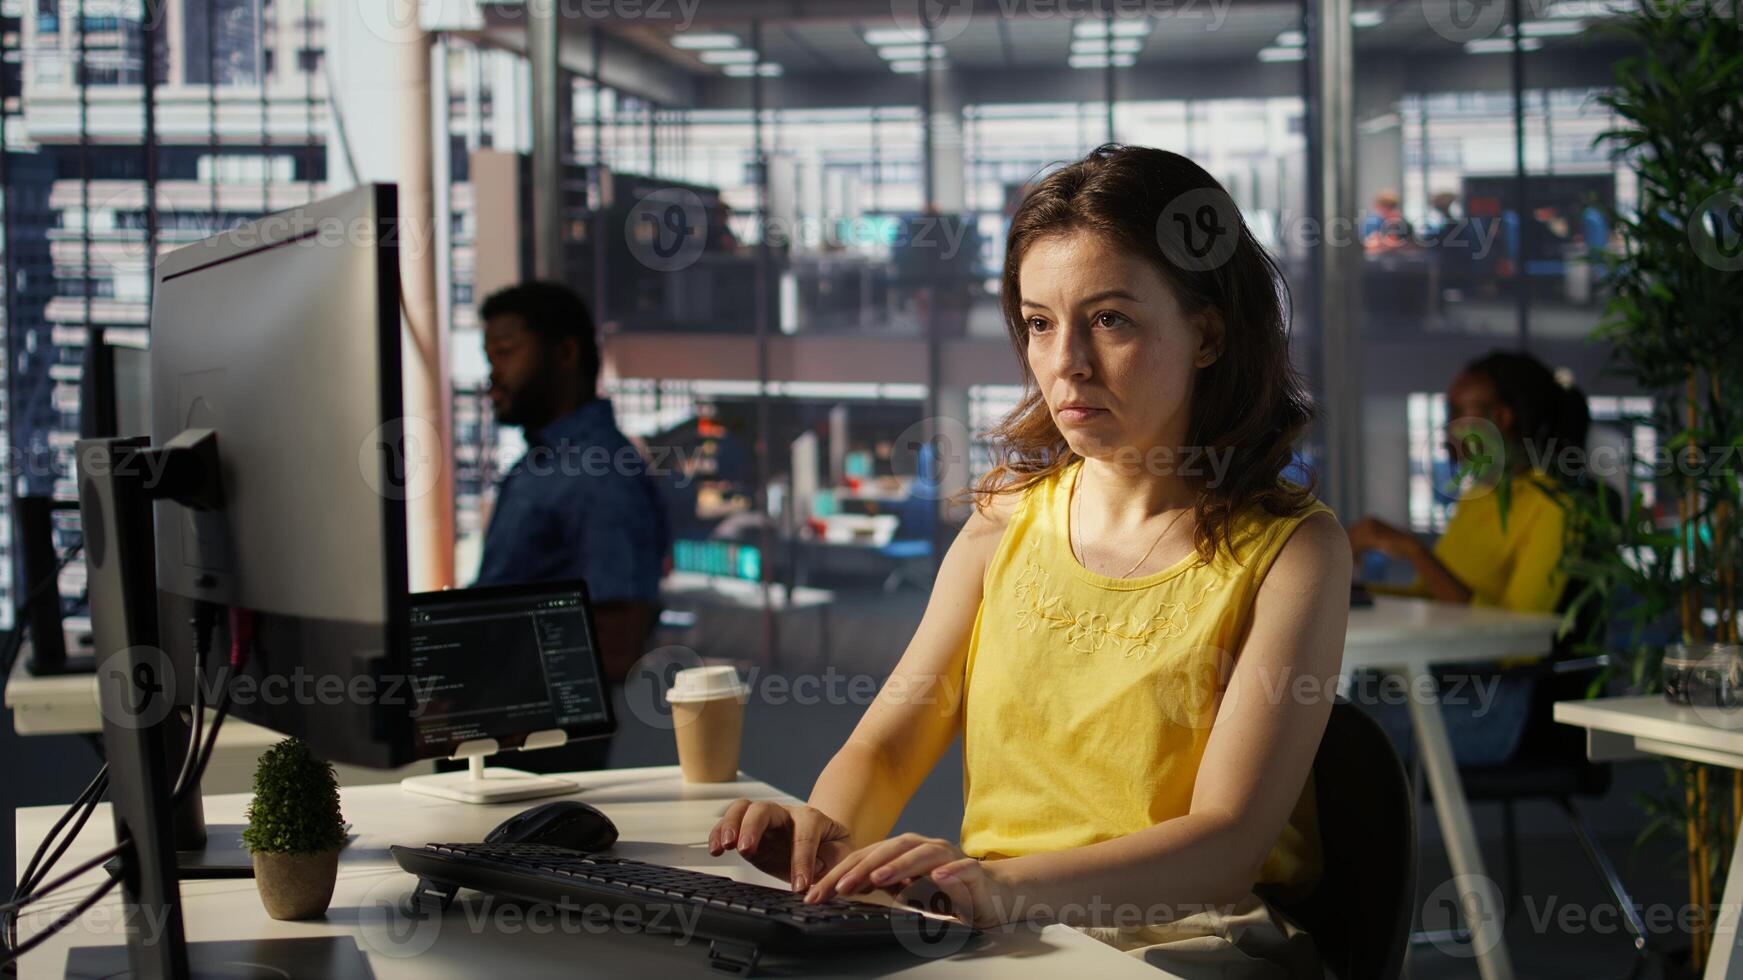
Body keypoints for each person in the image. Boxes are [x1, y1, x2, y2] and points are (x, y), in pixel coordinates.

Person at [707, 145, 1350, 977]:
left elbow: (1224, 845)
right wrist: (820, 837)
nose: (1064, 362)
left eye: (1110, 319)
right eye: (1040, 322)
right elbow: (888, 748)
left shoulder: (1295, 550)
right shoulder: (1003, 519)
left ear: (1206, 331)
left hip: (1188, 942)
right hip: (995, 925)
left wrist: (1000, 889)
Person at [1347, 350, 1590, 766]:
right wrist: (1352, 590)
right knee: (1322, 717)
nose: (1447, 429)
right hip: (1444, 688)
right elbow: (1429, 602)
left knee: (1330, 728)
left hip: (1502, 706)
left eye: (1459, 411)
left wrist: (1411, 550)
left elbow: (1521, 638)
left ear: (1504, 418)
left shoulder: (1556, 507)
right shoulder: (1482, 498)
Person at [474, 280, 671, 771]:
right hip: (499, 737)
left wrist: (463, 655)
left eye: (506, 352)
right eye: (489, 355)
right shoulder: (541, 464)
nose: (492, 375)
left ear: (564, 352)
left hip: (542, 750)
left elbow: (619, 643)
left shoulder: (600, 472)